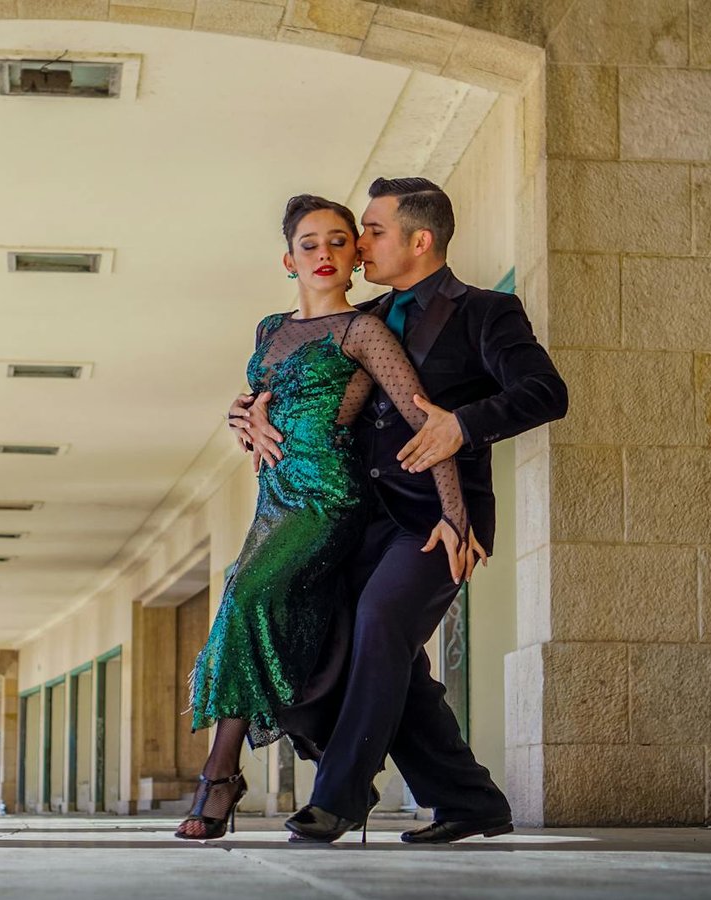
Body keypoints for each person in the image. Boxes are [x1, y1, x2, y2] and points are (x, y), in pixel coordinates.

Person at [230, 177, 569, 844]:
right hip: (356, 518)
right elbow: (308, 387)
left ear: (419, 239)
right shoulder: (364, 317)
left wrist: (463, 426)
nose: (360, 244)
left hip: (440, 520)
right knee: (387, 660)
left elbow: (545, 392)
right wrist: (249, 409)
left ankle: (342, 795)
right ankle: (470, 802)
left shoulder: (486, 311)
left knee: (383, 621)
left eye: (373, 230)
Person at [175, 194, 478, 841]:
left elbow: (429, 419)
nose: (324, 254)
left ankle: (219, 775)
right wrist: (244, 413)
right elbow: (263, 394)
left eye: (339, 242)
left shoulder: (364, 329)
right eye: (309, 244)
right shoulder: (267, 329)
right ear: (289, 259)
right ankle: (248, 775)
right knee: (248, 607)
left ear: (357, 256)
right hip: (273, 499)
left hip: (326, 499)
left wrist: (456, 515)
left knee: (247, 595)